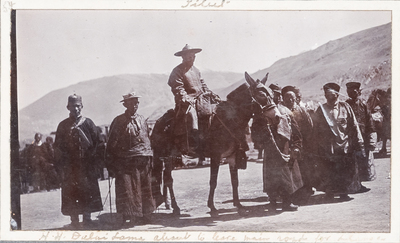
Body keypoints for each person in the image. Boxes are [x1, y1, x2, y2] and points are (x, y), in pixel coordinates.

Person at [106, 91, 155, 226]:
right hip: (126, 161)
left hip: (144, 158)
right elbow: (111, 143)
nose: (134, 105)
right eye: (131, 103)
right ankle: (127, 216)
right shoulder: (119, 121)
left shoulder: (142, 119)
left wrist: (149, 155)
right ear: (125, 105)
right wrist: (110, 162)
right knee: (128, 190)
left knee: (145, 187)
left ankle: (145, 214)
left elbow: (147, 138)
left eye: (136, 102)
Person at [54, 94, 103, 228]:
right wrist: (61, 166)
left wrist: (96, 162)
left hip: (86, 166)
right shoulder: (63, 126)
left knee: (87, 191)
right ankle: (74, 220)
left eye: (78, 106)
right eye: (72, 106)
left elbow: (99, 143)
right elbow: (57, 147)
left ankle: (87, 218)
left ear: (82, 106)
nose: (75, 109)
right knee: (71, 192)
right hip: (70, 167)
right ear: (67, 107)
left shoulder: (88, 123)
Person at [168, 44, 220, 165]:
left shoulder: (196, 71)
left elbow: (203, 86)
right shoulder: (177, 71)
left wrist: (211, 94)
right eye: (188, 57)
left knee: (215, 111)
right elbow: (177, 87)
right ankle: (193, 146)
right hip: (186, 101)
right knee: (192, 114)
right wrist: (185, 98)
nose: (191, 59)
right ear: (183, 57)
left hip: (201, 99)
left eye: (193, 56)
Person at [313, 83, 364, 201]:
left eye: (331, 95)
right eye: (326, 95)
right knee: (328, 170)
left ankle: (343, 193)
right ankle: (329, 192)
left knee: (344, 170)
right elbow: (315, 129)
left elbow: (354, 125)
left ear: (337, 95)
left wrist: (358, 142)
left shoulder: (345, 107)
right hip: (327, 147)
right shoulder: (321, 110)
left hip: (344, 145)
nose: (329, 97)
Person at [282, 86, 314, 198]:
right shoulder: (281, 111)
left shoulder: (301, 110)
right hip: (288, 145)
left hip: (302, 144)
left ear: (295, 98)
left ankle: (307, 190)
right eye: (286, 97)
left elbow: (309, 127)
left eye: (291, 97)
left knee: (304, 167)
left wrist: (306, 143)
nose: (289, 100)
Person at [346, 82, 377, 190]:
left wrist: (371, 138)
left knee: (362, 161)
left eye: (353, 91)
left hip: (363, 138)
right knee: (351, 162)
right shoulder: (345, 105)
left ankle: (359, 184)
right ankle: (353, 184)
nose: (351, 93)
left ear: (358, 92)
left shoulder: (363, 105)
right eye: (349, 91)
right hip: (350, 138)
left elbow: (369, 122)